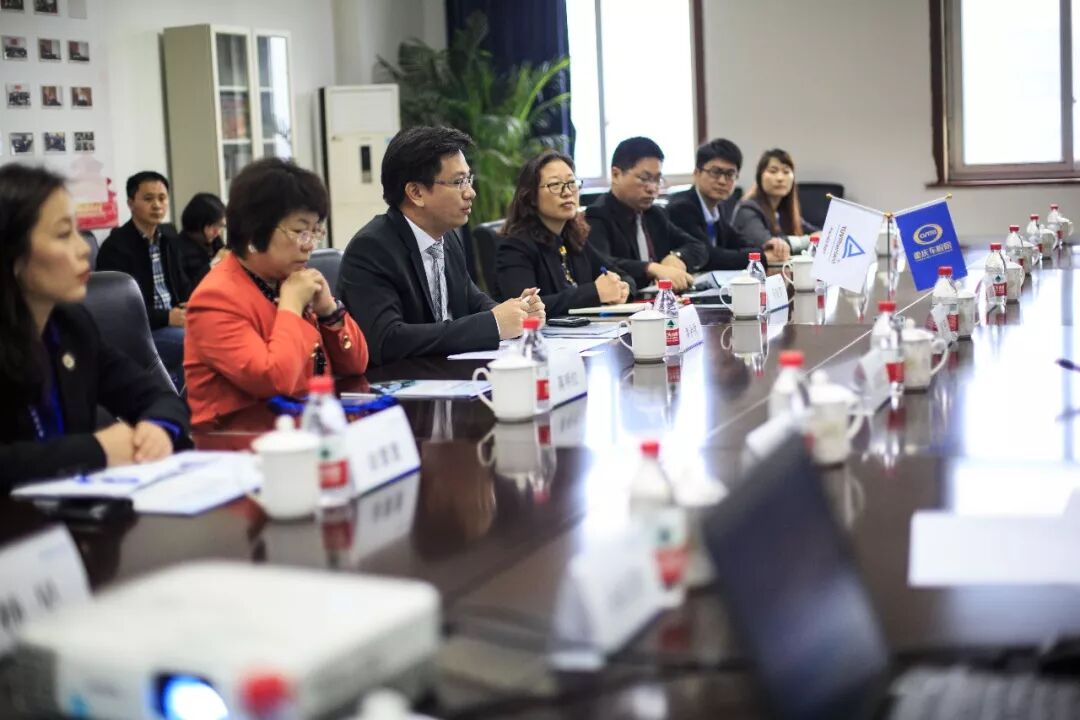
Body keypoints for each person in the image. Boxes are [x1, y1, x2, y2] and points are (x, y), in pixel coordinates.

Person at [0, 164, 190, 488]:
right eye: (63, 234)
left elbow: (157, 395)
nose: (84, 248)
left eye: (78, 231)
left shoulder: (71, 326)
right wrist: (95, 450)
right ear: (12, 253)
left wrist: (157, 427)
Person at [184, 158, 369, 427]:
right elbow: (273, 381)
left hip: (304, 428)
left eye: (315, 231)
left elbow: (356, 365)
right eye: (300, 231)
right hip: (240, 440)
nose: (310, 245)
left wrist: (328, 311)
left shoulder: (286, 279)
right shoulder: (215, 299)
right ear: (254, 230)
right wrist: (291, 307)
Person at [339, 126, 545, 365]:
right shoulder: (372, 248)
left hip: (449, 374)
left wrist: (518, 312)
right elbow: (387, 340)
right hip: (402, 382)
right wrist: (494, 324)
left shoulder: (446, 238)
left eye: (468, 180)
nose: (470, 193)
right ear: (416, 192)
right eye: (459, 182)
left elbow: (472, 300)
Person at [496, 149, 633, 316]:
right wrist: (594, 292)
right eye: (555, 185)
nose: (567, 192)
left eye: (571, 183)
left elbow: (621, 275)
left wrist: (622, 288)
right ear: (531, 196)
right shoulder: (515, 247)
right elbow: (523, 307)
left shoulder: (573, 237)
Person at [96, 171, 192, 389]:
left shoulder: (168, 239)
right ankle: (177, 400)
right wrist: (167, 317)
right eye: (148, 199)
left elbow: (183, 286)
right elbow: (120, 311)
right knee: (193, 342)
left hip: (175, 323)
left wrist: (193, 306)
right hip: (142, 333)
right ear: (131, 203)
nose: (157, 205)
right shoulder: (116, 247)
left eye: (162, 198)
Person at [585, 137, 707, 292]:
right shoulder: (597, 215)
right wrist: (652, 268)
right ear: (616, 175)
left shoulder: (654, 214)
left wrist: (677, 257)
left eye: (657, 179)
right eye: (644, 179)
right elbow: (601, 263)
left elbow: (698, 247)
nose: (652, 188)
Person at [667, 138, 788, 270]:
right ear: (697, 173)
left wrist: (766, 246)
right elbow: (707, 256)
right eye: (715, 172)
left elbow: (737, 242)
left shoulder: (718, 207)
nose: (722, 181)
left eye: (730, 174)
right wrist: (761, 256)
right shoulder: (682, 207)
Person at [732, 149, 818, 257]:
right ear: (759, 177)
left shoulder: (783, 211)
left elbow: (817, 232)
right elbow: (769, 245)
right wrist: (810, 240)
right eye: (773, 171)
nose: (780, 178)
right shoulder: (747, 209)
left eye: (786, 172)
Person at [176, 192, 227, 287]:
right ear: (197, 223)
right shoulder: (177, 249)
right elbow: (187, 290)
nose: (217, 232)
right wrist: (214, 263)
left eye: (220, 226)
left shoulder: (215, 241)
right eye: (213, 226)